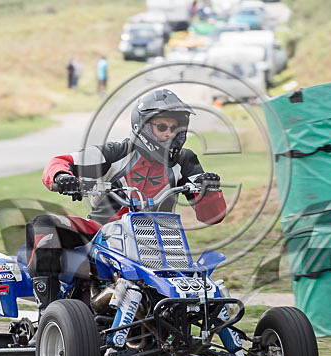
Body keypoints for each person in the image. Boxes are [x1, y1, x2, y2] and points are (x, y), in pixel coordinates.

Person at [26, 89, 226, 310]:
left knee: (203, 280)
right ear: (143, 127)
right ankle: (49, 312)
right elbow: (61, 161)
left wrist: (210, 191)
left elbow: (211, 216)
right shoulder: (117, 152)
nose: (169, 134)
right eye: (161, 127)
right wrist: (63, 177)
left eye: (175, 128)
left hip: (161, 238)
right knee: (44, 225)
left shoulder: (185, 160)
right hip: (101, 231)